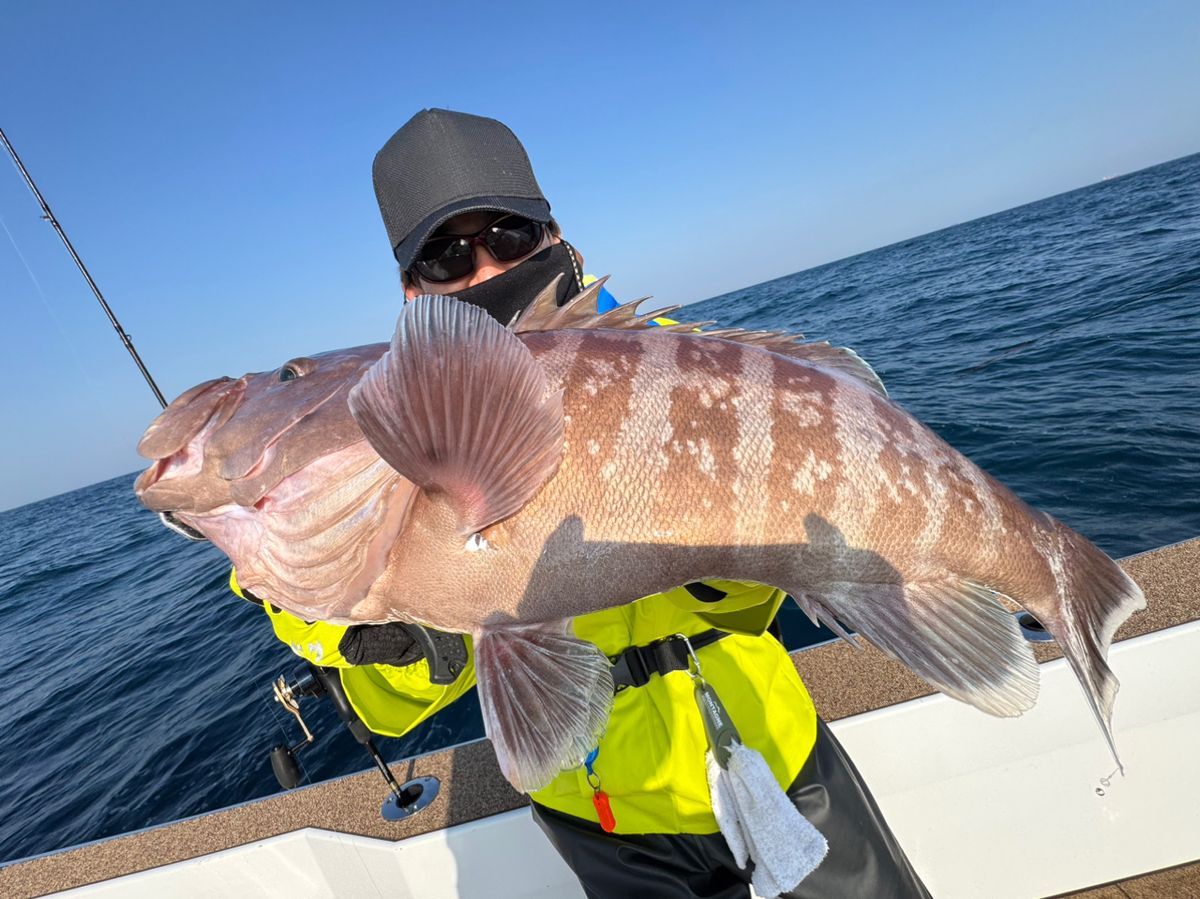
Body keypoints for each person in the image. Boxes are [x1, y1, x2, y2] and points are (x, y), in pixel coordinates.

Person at [236, 109, 930, 898]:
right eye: (446, 255)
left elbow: (753, 607)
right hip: (599, 818)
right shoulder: (384, 437)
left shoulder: (685, 364)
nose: (485, 269)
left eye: (510, 234)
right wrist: (405, 642)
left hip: (773, 751)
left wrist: (721, 553)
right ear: (412, 290)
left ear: (559, 238)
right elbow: (392, 705)